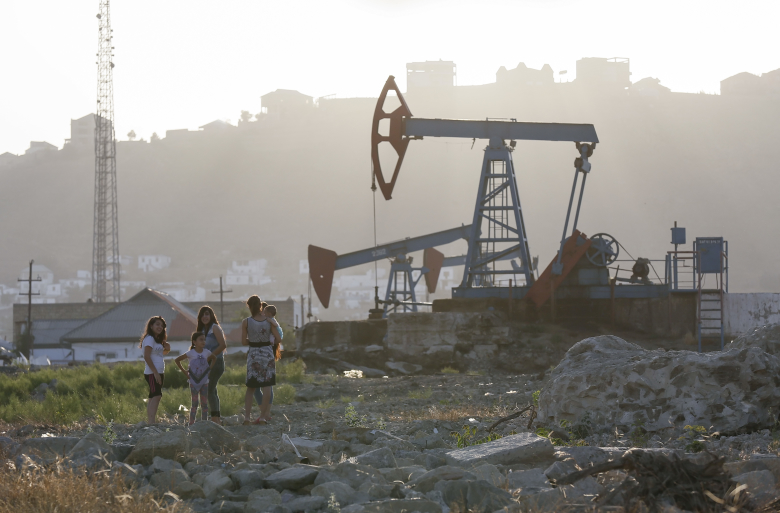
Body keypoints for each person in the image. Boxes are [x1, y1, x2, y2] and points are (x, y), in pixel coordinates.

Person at [242, 296, 282, 425]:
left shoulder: (246, 322)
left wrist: (254, 340)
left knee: (251, 387)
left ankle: (247, 417)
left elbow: (243, 342)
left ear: (249, 306)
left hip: (253, 354)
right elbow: (278, 339)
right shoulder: (269, 321)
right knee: (267, 385)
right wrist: (267, 342)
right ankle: (263, 417)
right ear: (261, 305)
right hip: (267, 353)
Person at [175, 332, 216, 425]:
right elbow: (177, 360)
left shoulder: (207, 352)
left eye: (204, 339)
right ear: (194, 342)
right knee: (194, 404)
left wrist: (209, 370)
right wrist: (185, 372)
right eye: (201, 339)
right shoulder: (191, 353)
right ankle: (191, 423)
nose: (203, 341)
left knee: (204, 403)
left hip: (204, 381)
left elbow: (214, 358)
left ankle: (204, 423)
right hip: (193, 381)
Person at [197, 306, 227, 424]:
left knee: (209, 390)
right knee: (212, 390)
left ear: (211, 316)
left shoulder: (214, 327)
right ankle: (216, 418)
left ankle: (215, 419)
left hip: (216, 362)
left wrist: (210, 356)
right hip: (207, 363)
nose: (204, 317)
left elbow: (223, 345)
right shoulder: (202, 330)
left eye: (207, 314)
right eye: (202, 315)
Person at [140, 316, 171, 424]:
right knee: (157, 395)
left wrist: (167, 348)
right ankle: (151, 422)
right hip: (152, 373)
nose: (160, 327)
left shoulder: (157, 340)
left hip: (158, 371)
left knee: (153, 396)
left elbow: (161, 353)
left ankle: (151, 422)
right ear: (151, 326)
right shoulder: (149, 338)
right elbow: (147, 356)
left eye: (162, 326)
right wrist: (155, 373)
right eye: (157, 324)